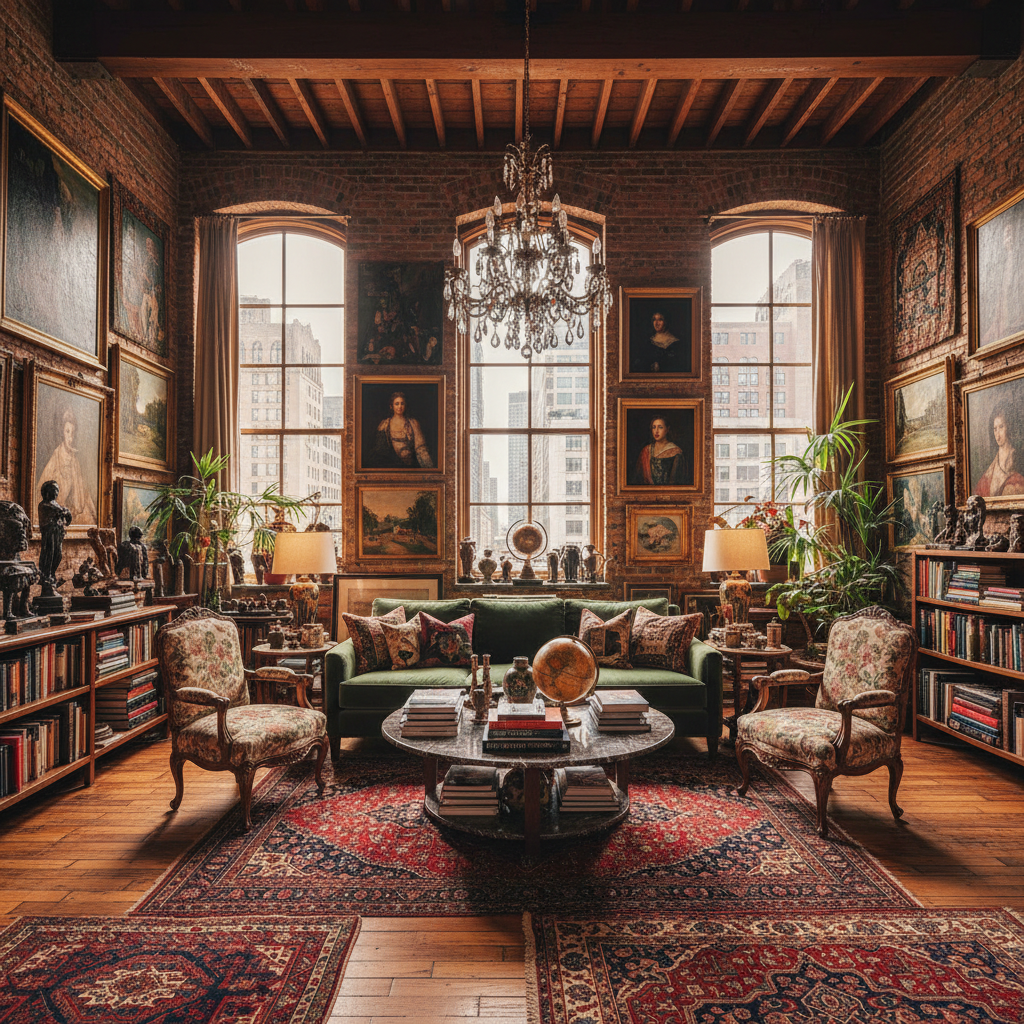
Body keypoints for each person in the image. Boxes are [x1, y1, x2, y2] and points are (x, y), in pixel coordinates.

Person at [37, 406, 97, 524]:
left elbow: (80, 494)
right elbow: (43, 483)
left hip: (69, 510)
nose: (70, 437)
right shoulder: (57, 456)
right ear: (62, 433)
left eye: (72, 433)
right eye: (67, 432)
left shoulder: (74, 461)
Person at [370, 391, 434, 468]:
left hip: (411, 467)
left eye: (402, 403)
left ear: (405, 405)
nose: (399, 407)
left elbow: (421, 449)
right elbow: (379, 451)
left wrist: (430, 469)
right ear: (391, 406)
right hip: (391, 467)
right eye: (397, 404)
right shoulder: (385, 425)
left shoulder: (413, 423)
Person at [976, 407, 1024, 497]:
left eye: (1001, 427)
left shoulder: (1017, 455)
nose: (997, 434)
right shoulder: (993, 463)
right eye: (995, 429)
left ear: (1008, 427)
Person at [631, 415, 688, 486]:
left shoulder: (676, 452)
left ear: (667, 429)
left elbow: (677, 482)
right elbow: (637, 478)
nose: (656, 431)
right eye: (654, 427)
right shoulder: (646, 450)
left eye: (660, 427)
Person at [37, 480, 72, 594]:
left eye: (57, 490)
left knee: (58, 555)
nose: (56, 492)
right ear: (47, 491)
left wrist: (65, 513)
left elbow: (63, 513)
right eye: (53, 490)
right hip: (49, 536)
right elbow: (57, 511)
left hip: (58, 534)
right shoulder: (44, 505)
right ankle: (47, 578)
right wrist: (64, 511)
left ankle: (52, 575)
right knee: (49, 555)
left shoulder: (55, 504)